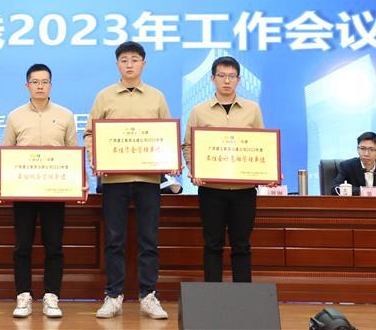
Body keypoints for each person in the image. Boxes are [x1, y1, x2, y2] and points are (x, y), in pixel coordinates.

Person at [83, 41, 173, 320]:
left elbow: (167, 135)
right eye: (124, 60)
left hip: (148, 179)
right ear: (117, 64)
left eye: (135, 59)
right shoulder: (104, 96)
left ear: (143, 63)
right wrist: (96, 158)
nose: (130, 64)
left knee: (149, 239)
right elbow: (90, 134)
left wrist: (169, 160)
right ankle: (113, 296)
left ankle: (148, 296)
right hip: (114, 180)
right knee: (114, 240)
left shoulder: (156, 97)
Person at [0, 64, 78, 319]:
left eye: (45, 81)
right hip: (23, 191)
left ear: (51, 85)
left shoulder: (65, 115)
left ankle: (52, 296)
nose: (40, 86)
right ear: (27, 85)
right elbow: (5, 151)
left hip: (54, 191)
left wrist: (79, 182)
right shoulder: (15, 116)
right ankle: (23, 295)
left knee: (54, 246)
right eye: (35, 82)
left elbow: (73, 153)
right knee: (22, 246)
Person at [182, 55, 271, 284]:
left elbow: (262, 144)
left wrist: (266, 171)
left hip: (244, 191)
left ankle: (243, 296)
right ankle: (213, 294)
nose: (227, 81)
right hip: (211, 190)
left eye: (232, 76)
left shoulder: (252, 109)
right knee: (212, 244)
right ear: (212, 79)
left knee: (242, 245)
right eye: (221, 76)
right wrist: (194, 170)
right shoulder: (199, 111)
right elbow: (188, 146)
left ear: (239, 80)